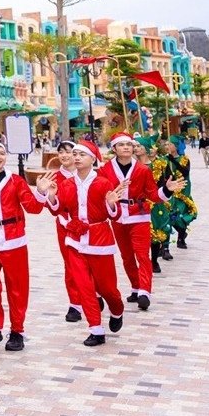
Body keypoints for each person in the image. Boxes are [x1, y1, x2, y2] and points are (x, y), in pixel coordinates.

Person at [0, 140, 55, 353]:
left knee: (17, 287)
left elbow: (32, 209)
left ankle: (17, 330)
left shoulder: (16, 181)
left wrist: (41, 193)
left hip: (14, 239)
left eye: (2, 152)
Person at [46, 140, 126, 346]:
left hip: (99, 240)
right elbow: (57, 209)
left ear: (93, 158)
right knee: (84, 287)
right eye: (75, 154)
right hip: (74, 240)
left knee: (107, 288)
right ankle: (96, 329)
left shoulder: (103, 183)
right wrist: (52, 197)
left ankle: (117, 309)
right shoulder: (66, 184)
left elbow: (114, 216)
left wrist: (110, 205)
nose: (77, 157)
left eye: (82, 154)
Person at [96, 134, 164, 311]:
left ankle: (144, 292)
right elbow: (100, 194)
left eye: (128, 144)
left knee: (142, 254)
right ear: (114, 149)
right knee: (126, 256)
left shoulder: (142, 170)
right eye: (121, 145)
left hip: (139, 216)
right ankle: (135, 286)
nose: (126, 147)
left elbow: (154, 195)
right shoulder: (105, 171)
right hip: (118, 216)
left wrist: (167, 191)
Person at [51, 141, 86, 323]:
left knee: (91, 262)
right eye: (61, 153)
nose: (65, 156)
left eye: (69, 152)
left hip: (89, 226)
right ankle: (75, 304)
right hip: (65, 226)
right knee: (70, 264)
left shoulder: (87, 174)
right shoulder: (55, 178)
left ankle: (92, 294)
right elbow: (52, 205)